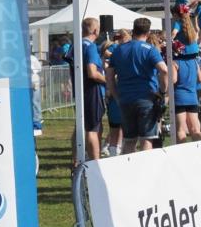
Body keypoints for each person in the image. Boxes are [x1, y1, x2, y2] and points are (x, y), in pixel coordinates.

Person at [107, 17, 168, 153]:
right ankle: (145, 166)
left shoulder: (118, 50)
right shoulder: (150, 49)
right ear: (148, 32)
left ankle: (128, 166)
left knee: (129, 140)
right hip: (146, 99)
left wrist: (116, 96)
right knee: (146, 140)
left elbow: (109, 76)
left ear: (133, 30)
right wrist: (163, 92)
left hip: (125, 99)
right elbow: (164, 70)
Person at [65, 17, 108, 162]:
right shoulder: (90, 46)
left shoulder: (75, 45)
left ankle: (76, 161)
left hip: (80, 90)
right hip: (91, 91)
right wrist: (109, 80)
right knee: (92, 129)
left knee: (80, 127)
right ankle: (95, 163)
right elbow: (92, 72)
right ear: (95, 30)